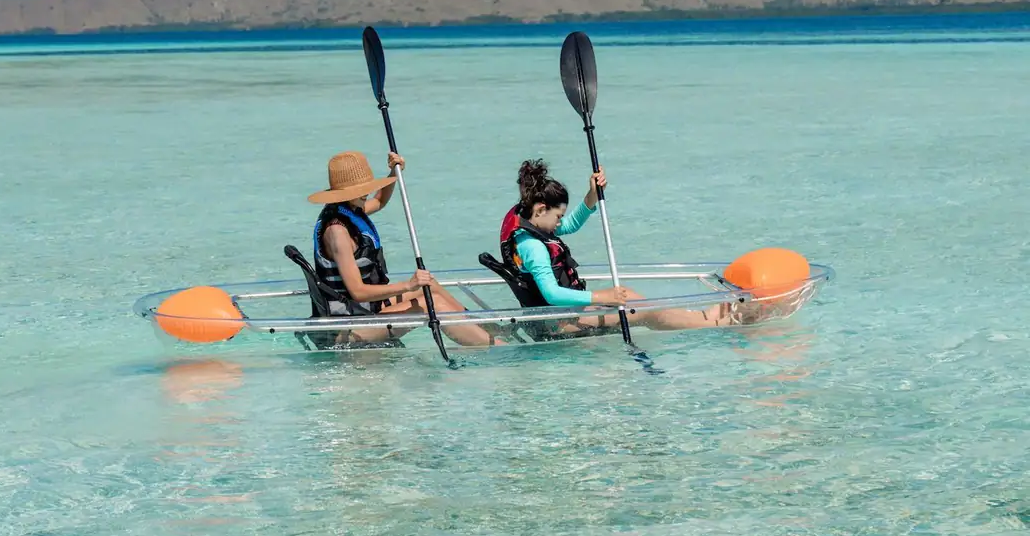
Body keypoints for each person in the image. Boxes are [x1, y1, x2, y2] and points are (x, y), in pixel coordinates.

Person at [500, 159, 746, 330]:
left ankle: (701, 318)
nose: (559, 223)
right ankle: (713, 323)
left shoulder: (529, 220)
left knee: (634, 299)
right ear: (541, 209)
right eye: (558, 216)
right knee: (644, 310)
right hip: (558, 324)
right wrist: (602, 296)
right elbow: (552, 294)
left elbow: (570, 225)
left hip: (563, 314)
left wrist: (592, 195)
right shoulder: (533, 247)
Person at [310, 150, 500, 347]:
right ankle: (496, 347)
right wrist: (408, 285)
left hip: (367, 309)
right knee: (434, 303)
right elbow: (358, 292)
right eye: (361, 189)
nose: (366, 193)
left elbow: (380, 201)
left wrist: (394, 172)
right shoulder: (337, 232)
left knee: (429, 284)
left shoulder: (350, 210)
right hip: (350, 326)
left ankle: (489, 330)